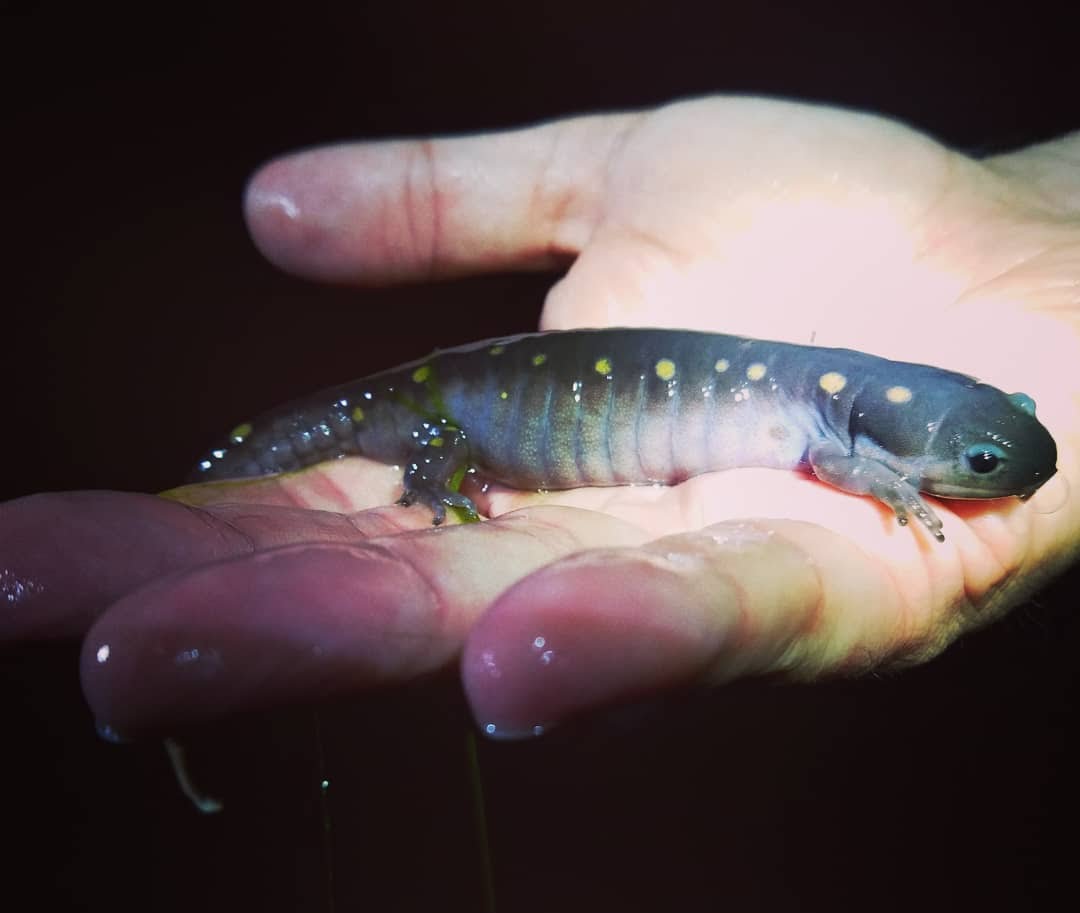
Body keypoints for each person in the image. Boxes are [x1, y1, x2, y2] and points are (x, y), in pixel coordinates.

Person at [2, 96, 1077, 741]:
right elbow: (849, 465)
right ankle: (418, 473)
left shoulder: (846, 403)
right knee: (418, 439)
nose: (999, 473)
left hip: (486, 391)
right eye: (982, 455)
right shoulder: (846, 426)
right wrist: (437, 477)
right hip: (441, 409)